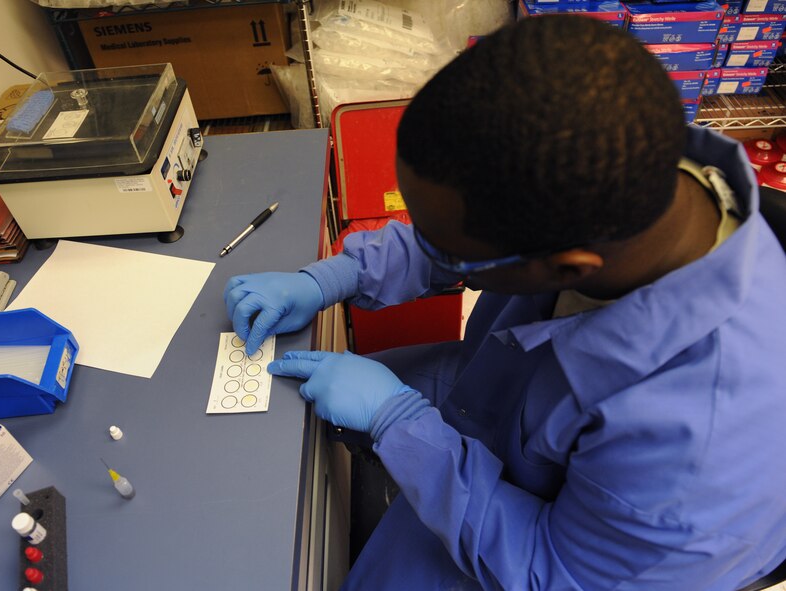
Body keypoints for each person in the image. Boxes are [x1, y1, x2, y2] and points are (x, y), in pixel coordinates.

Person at [223, 15, 786, 591]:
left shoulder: (699, 447)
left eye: (452, 250)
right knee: (298, 409)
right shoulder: (626, 175)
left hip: (563, 553)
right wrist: (336, 276)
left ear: (568, 269)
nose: (426, 244)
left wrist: (402, 426)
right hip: (513, 387)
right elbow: (471, 231)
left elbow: (553, 573)